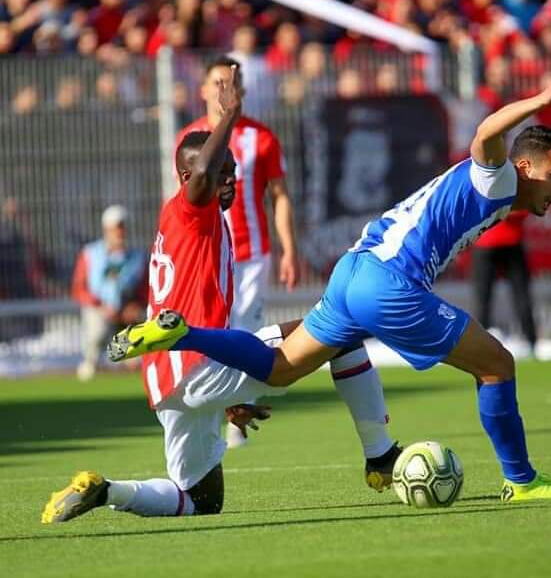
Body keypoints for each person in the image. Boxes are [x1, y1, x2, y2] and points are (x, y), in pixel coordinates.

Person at [111, 62, 551, 504]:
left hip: (352, 273)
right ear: (524, 167)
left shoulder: (497, 189)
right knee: (497, 365)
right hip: (390, 284)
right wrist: (542, 98)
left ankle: (185, 336)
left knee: (279, 369)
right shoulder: (497, 178)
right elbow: (486, 132)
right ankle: (521, 481)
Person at [42, 66, 397, 524]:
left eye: (234, 173)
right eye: (222, 174)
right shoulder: (193, 209)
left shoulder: (190, 221)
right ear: (188, 176)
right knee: (342, 331)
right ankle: (381, 456)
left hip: (168, 381)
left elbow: (207, 174)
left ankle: (105, 490)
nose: (230, 181)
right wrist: (228, 116)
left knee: (200, 501)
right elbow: (205, 169)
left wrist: (225, 395)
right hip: (195, 362)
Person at [176, 56, 300, 448]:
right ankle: (211, 410)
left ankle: (238, 417)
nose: (223, 90)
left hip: (251, 252)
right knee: (210, 325)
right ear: (203, 90)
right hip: (205, 254)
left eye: (231, 83)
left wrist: (289, 249)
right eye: (216, 82)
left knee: (245, 327)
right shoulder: (190, 139)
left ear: (242, 91)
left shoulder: (261, 138)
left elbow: (279, 195)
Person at [71, 205, 147, 381]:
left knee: (142, 330)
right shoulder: (90, 254)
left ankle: (128, 360)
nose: (120, 231)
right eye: (116, 227)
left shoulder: (138, 257)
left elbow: (146, 290)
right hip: (100, 310)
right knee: (98, 329)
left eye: (123, 227)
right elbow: (78, 288)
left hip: (127, 314)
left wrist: (135, 306)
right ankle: (92, 361)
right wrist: (101, 306)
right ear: (107, 229)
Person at [470, 211, 538, 356]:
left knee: (483, 298)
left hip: (491, 239)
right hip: (506, 238)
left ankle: (478, 346)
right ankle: (531, 342)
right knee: (519, 295)